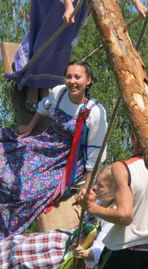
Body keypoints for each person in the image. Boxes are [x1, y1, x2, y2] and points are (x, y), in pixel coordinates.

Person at [0, 60, 107, 239]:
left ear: (88, 80)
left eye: (77, 77)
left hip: (65, 160)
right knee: (5, 160)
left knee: (25, 191)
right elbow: (43, 108)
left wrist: (88, 185)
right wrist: (29, 127)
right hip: (45, 143)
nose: (72, 81)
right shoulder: (60, 93)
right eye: (69, 76)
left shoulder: (94, 112)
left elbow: (95, 154)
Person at [5, 0, 148, 113]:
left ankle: (43, 84)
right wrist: (68, 5)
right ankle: (32, 84)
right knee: (45, 38)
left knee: (63, 42)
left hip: (78, 4)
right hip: (57, 3)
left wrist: (137, 4)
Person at [79, 131, 148, 269]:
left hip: (125, 252)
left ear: (133, 137)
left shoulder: (122, 167)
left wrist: (91, 208)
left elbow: (125, 215)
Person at [0, 165, 116, 269]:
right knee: (17, 242)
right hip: (65, 238)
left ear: (114, 192)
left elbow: (100, 250)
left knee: (21, 258)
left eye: (100, 186)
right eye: (96, 182)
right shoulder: (99, 203)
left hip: (67, 253)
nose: (94, 187)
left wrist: (86, 253)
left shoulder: (111, 217)